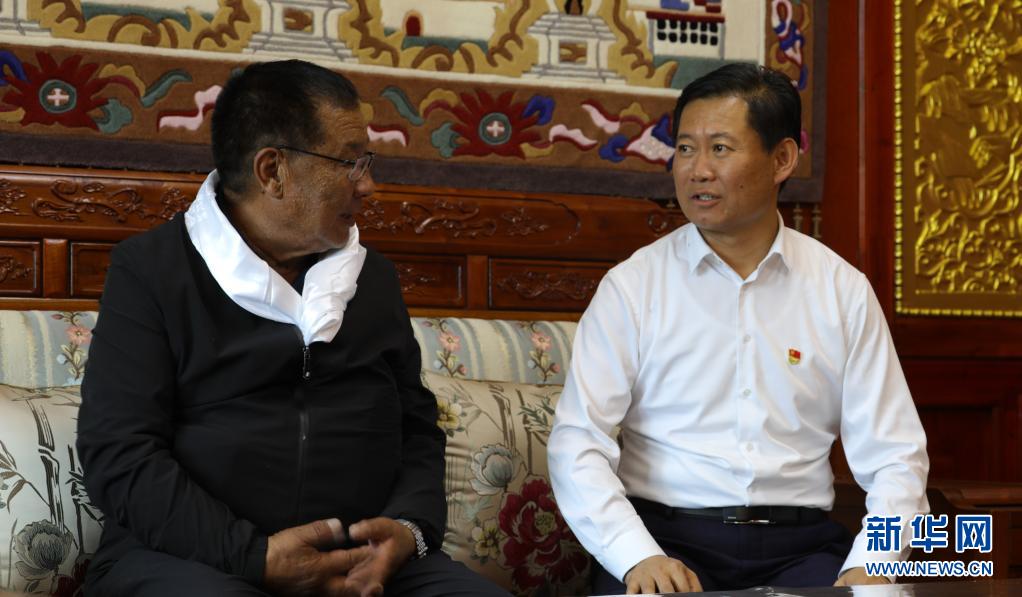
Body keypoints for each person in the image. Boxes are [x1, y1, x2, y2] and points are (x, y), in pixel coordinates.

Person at [77, 60, 508, 597]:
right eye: (351, 163)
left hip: (361, 563)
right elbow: (120, 452)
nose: (369, 185)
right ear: (272, 171)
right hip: (194, 560)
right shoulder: (153, 272)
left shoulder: (372, 279)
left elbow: (417, 428)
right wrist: (253, 557)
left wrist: (408, 530)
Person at [547, 63, 929, 594]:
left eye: (720, 149)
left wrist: (872, 563)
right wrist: (635, 557)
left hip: (802, 548)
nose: (698, 170)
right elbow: (577, 442)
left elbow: (896, 456)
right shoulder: (632, 287)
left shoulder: (841, 290)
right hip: (666, 543)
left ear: (782, 159)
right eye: (685, 149)